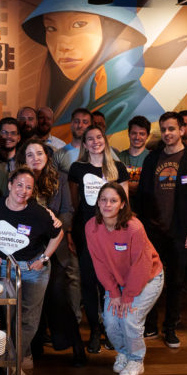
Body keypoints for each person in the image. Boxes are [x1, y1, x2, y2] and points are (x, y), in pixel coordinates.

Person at [21, 0, 162, 136]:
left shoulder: (134, 108)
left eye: (79, 24)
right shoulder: (69, 102)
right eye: (51, 28)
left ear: (111, 29)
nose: (62, 45)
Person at [134, 112, 187, 347]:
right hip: (153, 232)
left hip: (180, 232)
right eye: (164, 129)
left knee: (176, 282)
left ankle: (170, 328)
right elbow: (142, 195)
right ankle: (150, 325)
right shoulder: (152, 158)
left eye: (172, 129)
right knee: (149, 279)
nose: (167, 133)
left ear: (181, 130)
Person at [0, 168, 64, 375]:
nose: (23, 191)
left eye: (29, 187)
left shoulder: (38, 213)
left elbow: (58, 234)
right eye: (19, 185)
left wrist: (44, 258)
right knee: (8, 317)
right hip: (5, 269)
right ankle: (12, 360)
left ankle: (14, 365)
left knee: (28, 319)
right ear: (10, 185)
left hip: (32, 270)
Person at [85, 183, 164, 375]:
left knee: (129, 319)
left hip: (147, 279)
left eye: (113, 201)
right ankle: (124, 353)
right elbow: (99, 263)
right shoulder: (91, 227)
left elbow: (141, 265)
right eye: (103, 200)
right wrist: (114, 293)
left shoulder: (134, 228)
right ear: (98, 202)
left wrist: (127, 296)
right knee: (111, 322)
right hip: (117, 282)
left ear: (122, 204)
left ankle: (136, 360)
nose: (107, 205)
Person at [21, 138, 84, 366]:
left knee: (57, 295)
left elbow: (67, 211)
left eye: (39, 153)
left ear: (47, 156)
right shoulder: (19, 181)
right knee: (32, 297)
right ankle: (36, 346)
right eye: (30, 154)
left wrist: (54, 227)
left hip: (55, 246)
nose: (35, 158)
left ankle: (76, 345)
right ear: (24, 159)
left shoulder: (61, 179)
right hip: (28, 248)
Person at [69, 125, 130, 353]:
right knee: (88, 281)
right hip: (86, 232)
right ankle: (95, 329)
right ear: (84, 144)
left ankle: (111, 329)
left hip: (112, 233)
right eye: (90, 139)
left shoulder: (117, 168)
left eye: (99, 137)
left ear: (105, 140)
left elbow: (125, 203)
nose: (95, 142)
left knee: (110, 282)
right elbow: (74, 203)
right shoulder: (77, 168)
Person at [118, 115, 151, 198]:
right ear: (129, 134)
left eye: (142, 134)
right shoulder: (118, 158)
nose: (137, 137)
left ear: (148, 135)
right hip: (124, 203)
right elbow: (114, 183)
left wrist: (125, 183)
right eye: (134, 133)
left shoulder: (152, 157)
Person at [57, 108, 93, 173]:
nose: (80, 125)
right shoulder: (59, 155)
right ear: (71, 124)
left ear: (91, 126)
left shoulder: (101, 152)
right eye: (76, 121)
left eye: (85, 122)